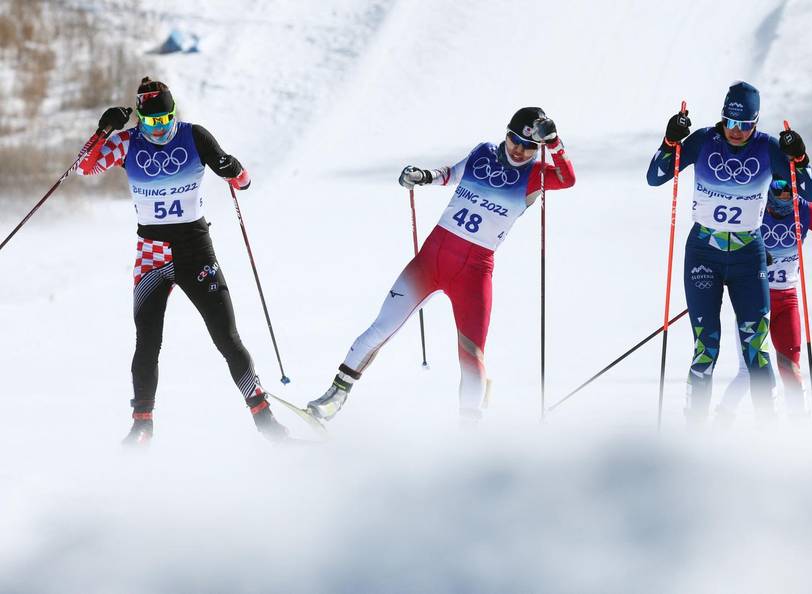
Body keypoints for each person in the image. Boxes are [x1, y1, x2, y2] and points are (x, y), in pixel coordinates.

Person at [306, 107, 576, 423]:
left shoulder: (535, 175)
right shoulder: (482, 153)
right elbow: (450, 174)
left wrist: (554, 142)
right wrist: (422, 176)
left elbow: (567, 179)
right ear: (506, 134)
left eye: (530, 146)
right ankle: (334, 398)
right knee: (380, 329)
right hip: (432, 260)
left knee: (471, 356)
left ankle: (468, 435)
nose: (520, 150)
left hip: (474, 274)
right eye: (515, 140)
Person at [76, 77, 288, 444]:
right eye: (151, 123)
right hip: (151, 255)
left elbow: (244, 182)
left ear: (175, 114)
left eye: (165, 121)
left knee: (226, 337)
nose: (159, 130)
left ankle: (264, 418)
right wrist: (104, 129)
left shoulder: (194, 136)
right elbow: (84, 167)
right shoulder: (127, 143)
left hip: (195, 250)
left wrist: (232, 167)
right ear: (140, 119)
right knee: (147, 341)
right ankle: (142, 424)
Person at [646, 81, 812, 425]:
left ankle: (767, 431)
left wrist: (800, 158)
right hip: (704, 253)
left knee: (756, 347)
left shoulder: (769, 148)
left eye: (745, 125)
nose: (736, 131)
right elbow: (655, 177)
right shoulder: (703, 141)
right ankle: (695, 429)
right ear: (722, 117)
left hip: (747, 256)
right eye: (730, 122)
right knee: (706, 347)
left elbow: (811, 192)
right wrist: (670, 142)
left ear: (756, 123)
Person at [716, 180, 812, 423]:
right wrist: (749, 255)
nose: (785, 192)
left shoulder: (805, 210)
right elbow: (725, 242)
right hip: (754, 298)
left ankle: (801, 429)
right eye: (778, 186)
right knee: (750, 372)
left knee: (790, 369)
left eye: (790, 187)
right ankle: (726, 420)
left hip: (787, 299)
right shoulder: (753, 206)